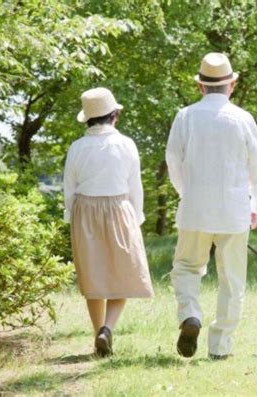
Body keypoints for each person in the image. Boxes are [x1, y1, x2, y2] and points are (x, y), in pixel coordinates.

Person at [166, 53, 257, 360]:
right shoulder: (243, 118)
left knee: (186, 268)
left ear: (200, 86)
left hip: (195, 208)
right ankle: (220, 346)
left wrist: (188, 192)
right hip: (234, 210)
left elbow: (173, 161)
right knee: (232, 280)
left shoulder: (185, 116)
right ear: (232, 85)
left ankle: (190, 315)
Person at [64, 87, 154, 357]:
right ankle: (108, 329)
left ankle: (97, 335)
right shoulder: (126, 144)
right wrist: (136, 218)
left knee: (94, 276)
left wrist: (72, 218)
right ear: (114, 115)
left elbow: (69, 188)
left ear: (88, 119)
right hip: (118, 206)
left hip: (85, 210)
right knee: (122, 273)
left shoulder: (77, 147)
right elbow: (134, 186)